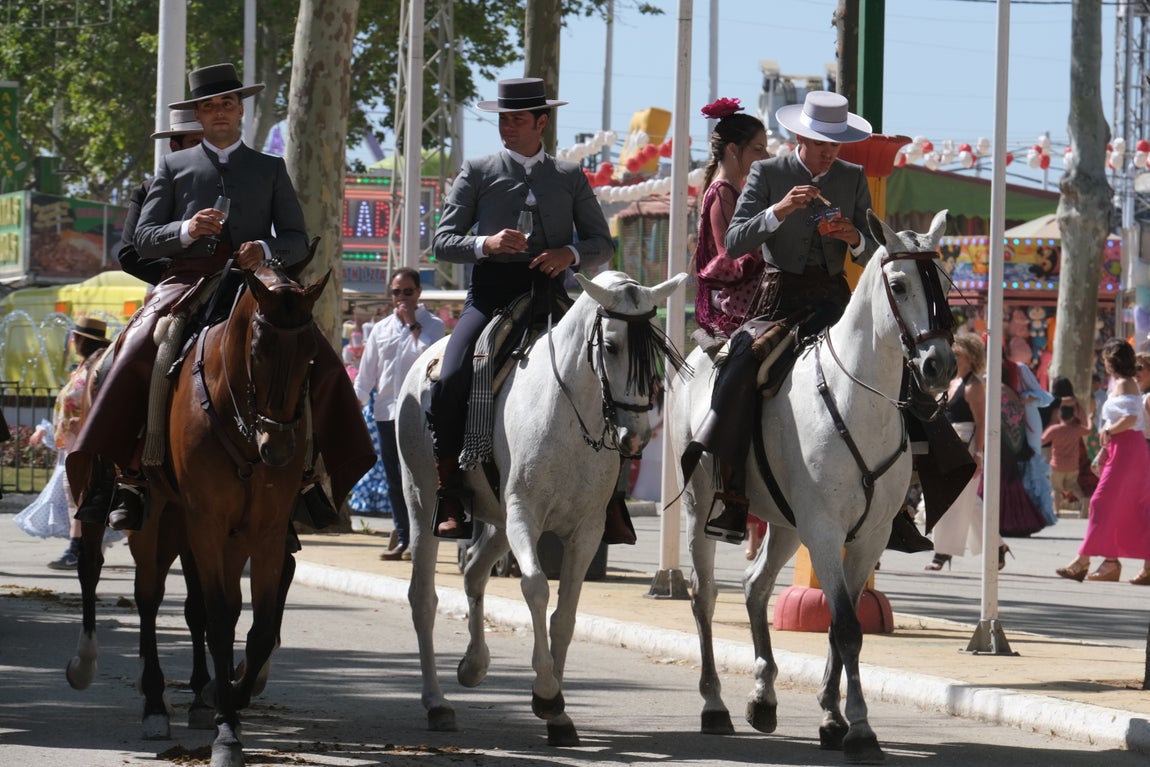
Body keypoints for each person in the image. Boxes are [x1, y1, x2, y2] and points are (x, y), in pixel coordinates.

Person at [67, 62, 375, 532]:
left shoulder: (271, 168)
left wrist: (267, 249)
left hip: (255, 281)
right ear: (200, 115)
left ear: (240, 109)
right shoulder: (172, 166)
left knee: (315, 354)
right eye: (208, 107)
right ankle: (124, 476)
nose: (219, 113)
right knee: (133, 351)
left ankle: (311, 478)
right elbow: (145, 239)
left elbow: (297, 237)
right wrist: (186, 230)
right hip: (188, 279)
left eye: (227, 104)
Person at [684, 90, 879, 544]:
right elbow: (733, 242)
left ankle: (899, 496)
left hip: (835, 300)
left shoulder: (852, 177)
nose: (831, 152)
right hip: (778, 297)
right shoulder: (768, 174)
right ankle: (730, 491)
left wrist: (853, 238)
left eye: (836, 143)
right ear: (799, 136)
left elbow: (873, 251)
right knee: (739, 368)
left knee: (895, 366)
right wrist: (780, 209)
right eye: (821, 141)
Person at [428, 77, 617, 541]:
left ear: (541, 123)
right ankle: (450, 490)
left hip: (551, 295)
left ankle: (609, 498)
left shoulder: (570, 176)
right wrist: (485, 243)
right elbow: (441, 242)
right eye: (503, 119)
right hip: (491, 296)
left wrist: (568, 255)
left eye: (516, 119)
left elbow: (601, 243)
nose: (507, 127)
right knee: (452, 376)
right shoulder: (476, 170)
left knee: (609, 376)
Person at [355, 268, 445, 560]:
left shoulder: (433, 326)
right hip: (386, 413)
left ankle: (424, 538)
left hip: (421, 412)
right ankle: (404, 538)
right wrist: (354, 405)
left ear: (418, 292)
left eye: (408, 291)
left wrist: (411, 325)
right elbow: (367, 375)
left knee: (422, 478)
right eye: (397, 292)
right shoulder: (380, 330)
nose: (402, 298)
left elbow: (431, 361)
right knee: (394, 478)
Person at [13, 318, 115, 568]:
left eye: (75, 337)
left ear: (83, 341)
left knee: (79, 497)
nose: (71, 341)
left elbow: (104, 403)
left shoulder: (99, 367)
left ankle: (78, 550)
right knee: (75, 498)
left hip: (85, 444)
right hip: (72, 445)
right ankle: (82, 548)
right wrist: (47, 430)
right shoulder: (82, 368)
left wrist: (82, 420)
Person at [1056, 339, 1150, 584]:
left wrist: (1109, 432)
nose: (1104, 363)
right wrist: (1104, 449)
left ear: (1112, 360)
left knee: (1101, 502)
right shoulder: (1117, 383)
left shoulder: (1128, 383)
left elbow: (1132, 418)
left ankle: (1083, 561)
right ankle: (1110, 563)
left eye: (1106, 359)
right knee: (1120, 505)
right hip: (1120, 448)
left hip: (1129, 448)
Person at [691, 97, 769, 338]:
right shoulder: (723, 191)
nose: (766, 156)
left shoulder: (731, 190)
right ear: (733, 149)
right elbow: (731, 252)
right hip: (738, 296)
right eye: (758, 149)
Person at [116, 110, 205, 285]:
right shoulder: (146, 190)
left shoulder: (234, 184)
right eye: (195, 142)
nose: (203, 150)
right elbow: (130, 256)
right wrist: (186, 271)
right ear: (175, 146)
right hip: (174, 289)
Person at [925, 333, 988, 571]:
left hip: (967, 443)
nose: (953, 357)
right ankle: (997, 546)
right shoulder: (951, 382)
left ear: (970, 358)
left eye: (958, 354)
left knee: (951, 498)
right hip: (949, 443)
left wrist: (978, 455)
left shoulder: (974, 386)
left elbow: (981, 422)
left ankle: (942, 552)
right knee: (967, 502)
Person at [1013, 360, 1056, 526]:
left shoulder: (1019, 368)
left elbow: (1045, 397)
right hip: (1004, 422)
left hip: (1028, 421)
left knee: (1031, 464)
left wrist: (1029, 398)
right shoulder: (986, 366)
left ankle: (1034, 513)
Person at [1042, 397, 1092, 518]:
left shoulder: (1054, 430)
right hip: (1073, 465)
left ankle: (1056, 511)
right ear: (1072, 416)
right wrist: (1089, 418)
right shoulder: (1076, 430)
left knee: (1056, 489)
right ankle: (1084, 500)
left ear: (1060, 416)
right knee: (1073, 486)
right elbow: (1088, 430)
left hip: (1057, 465)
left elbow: (1042, 441)